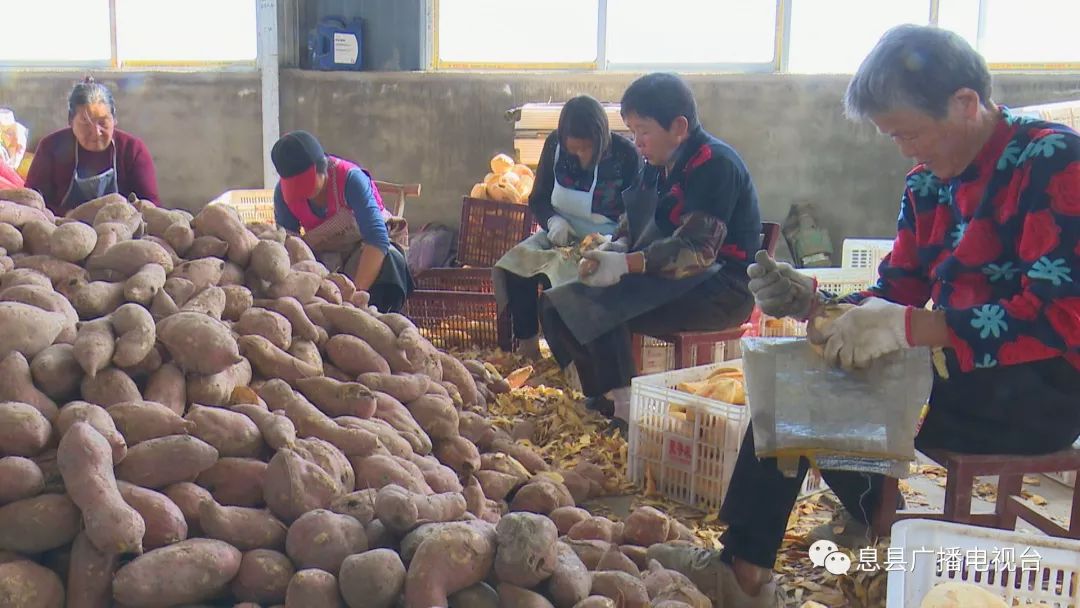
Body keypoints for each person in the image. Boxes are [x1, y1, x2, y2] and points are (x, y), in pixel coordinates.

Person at [646, 25, 1080, 608]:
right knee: (800, 373)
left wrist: (915, 328)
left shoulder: (1052, 160)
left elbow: (1057, 316)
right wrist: (813, 304)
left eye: (911, 132)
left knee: (825, 392)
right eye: (893, 136)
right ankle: (782, 553)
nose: (905, 149)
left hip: (1041, 385)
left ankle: (763, 564)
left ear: (965, 104)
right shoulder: (927, 182)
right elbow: (895, 290)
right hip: (953, 367)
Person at [539, 73, 762, 423]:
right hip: (668, 278)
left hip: (722, 289)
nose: (637, 141)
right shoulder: (656, 165)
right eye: (632, 131)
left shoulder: (715, 165)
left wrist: (628, 264)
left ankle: (627, 410)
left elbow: (698, 251)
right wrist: (617, 246)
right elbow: (634, 218)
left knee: (605, 304)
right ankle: (600, 395)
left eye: (643, 131)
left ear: (678, 126)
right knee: (557, 304)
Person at [494, 95, 641, 359]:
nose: (581, 156)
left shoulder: (626, 155)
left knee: (580, 282)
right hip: (561, 234)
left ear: (601, 139)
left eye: (587, 149)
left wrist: (617, 239)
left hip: (607, 238)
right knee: (516, 264)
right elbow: (538, 197)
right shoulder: (554, 146)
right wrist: (552, 220)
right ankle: (527, 344)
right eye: (574, 150)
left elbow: (638, 211)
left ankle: (579, 355)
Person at [270, 130, 413, 313]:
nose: (302, 193)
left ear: (322, 166)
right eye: (295, 186)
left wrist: (354, 297)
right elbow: (290, 246)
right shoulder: (283, 195)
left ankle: (381, 317)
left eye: (306, 183)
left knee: (391, 260)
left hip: (365, 251)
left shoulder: (351, 179)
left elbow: (377, 239)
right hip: (326, 259)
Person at [25, 78, 159, 214]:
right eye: (85, 123)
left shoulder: (133, 150)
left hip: (121, 228)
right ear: (70, 121)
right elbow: (30, 201)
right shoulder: (51, 148)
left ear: (114, 119)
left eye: (103, 122)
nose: (96, 132)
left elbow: (150, 206)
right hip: (60, 226)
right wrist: (68, 216)